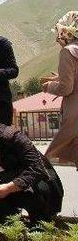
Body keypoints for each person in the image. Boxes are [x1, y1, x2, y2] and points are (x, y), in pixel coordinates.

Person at [0, 113, 63, 224]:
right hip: (7, 186)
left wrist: (8, 188)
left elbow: (37, 168)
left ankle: (40, 219)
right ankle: (7, 220)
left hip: (36, 185)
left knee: (39, 224)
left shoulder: (11, 137)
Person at [43, 11, 78, 169]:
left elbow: (66, 88)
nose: (57, 38)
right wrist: (60, 77)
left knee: (44, 160)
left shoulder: (67, 52)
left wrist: (49, 86)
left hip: (74, 118)